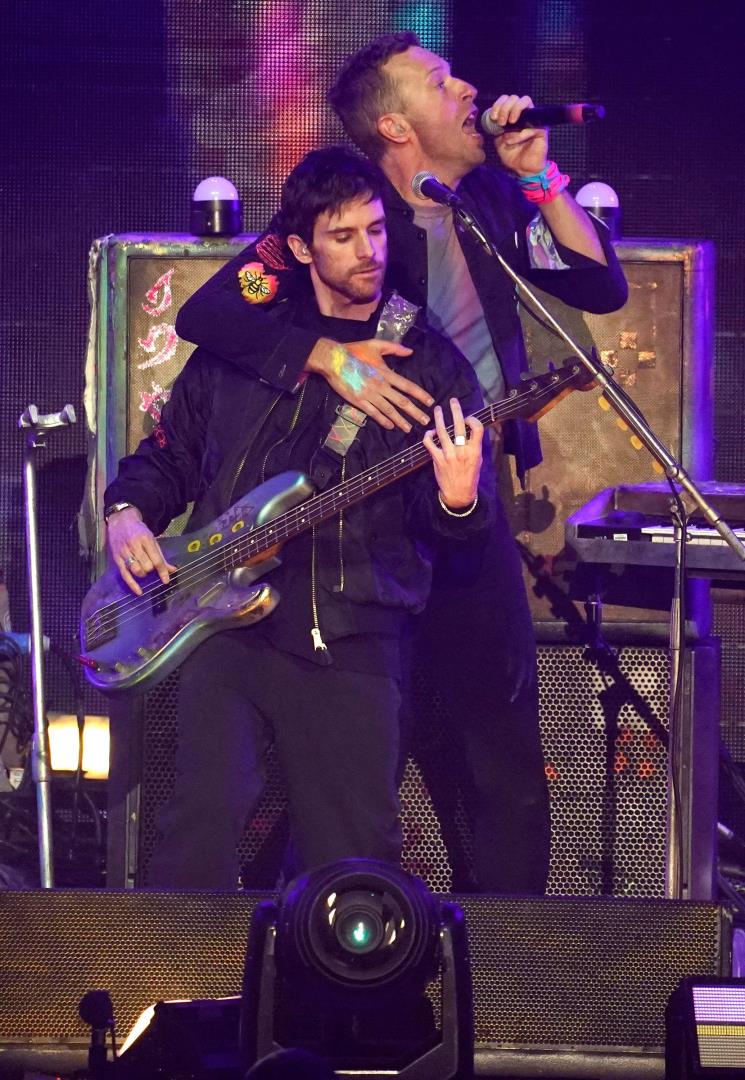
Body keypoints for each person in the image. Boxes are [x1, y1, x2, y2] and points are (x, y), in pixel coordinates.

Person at [173, 32, 629, 894]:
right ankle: (305, 965)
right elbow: (211, 314)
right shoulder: (350, 212)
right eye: (439, 79)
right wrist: (325, 356)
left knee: (500, 758)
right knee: (348, 775)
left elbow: (599, 285)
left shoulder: (490, 200)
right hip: (356, 524)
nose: (466, 87)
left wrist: (539, 174)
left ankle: (500, 978)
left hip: (461, 503)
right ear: (394, 124)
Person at [103, 147, 492, 889]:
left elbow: (459, 539)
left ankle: (342, 1008)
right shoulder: (242, 349)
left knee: (355, 865)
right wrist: (126, 512)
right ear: (302, 247)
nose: (367, 251)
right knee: (195, 841)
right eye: (343, 236)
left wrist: (458, 496)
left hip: (351, 637)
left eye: (376, 231)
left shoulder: (426, 363)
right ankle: (183, 998)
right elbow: (167, 454)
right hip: (225, 631)